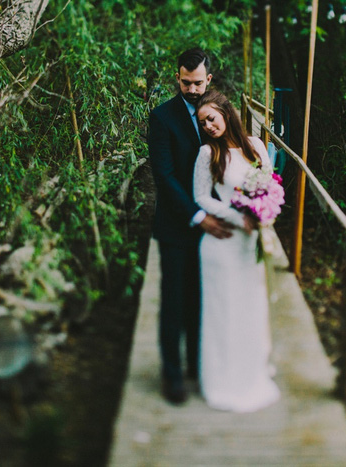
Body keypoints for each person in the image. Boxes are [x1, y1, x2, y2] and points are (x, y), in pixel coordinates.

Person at [148, 48, 233, 404]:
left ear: (208, 79)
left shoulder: (217, 114)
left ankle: (198, 366)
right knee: (174, 301)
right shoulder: (162, 117)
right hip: (177, 224)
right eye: (186, 82)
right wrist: (199, 216)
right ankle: (172, 376)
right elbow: (164, 176)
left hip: (216, 227)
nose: (192, 89)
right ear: (177, 77)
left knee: (202, 298)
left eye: (198, 83)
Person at [193, 90, 280, 413]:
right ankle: (221, 380)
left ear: (227, 114)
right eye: (203, 123)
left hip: (249, 245)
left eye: (212, 119)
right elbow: (201, 197)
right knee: (223, 311)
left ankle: (250, 373)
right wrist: (237, 216)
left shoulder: (255, 147)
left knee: (250, 308)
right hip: (223, 243)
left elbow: (270, 184)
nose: (209, 127)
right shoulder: (207, 154)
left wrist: (264, 212)